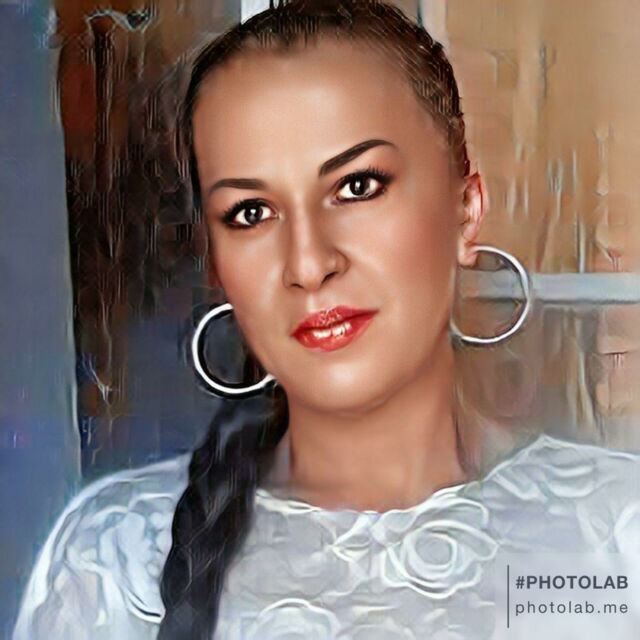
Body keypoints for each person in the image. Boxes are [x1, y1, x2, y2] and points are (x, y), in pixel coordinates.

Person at [12, 1, 640, 639]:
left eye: (358, 187)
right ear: (216, 262)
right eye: (251, 213)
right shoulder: (116, 561)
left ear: (465, 209)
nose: (309, 264)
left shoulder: (618, 532)